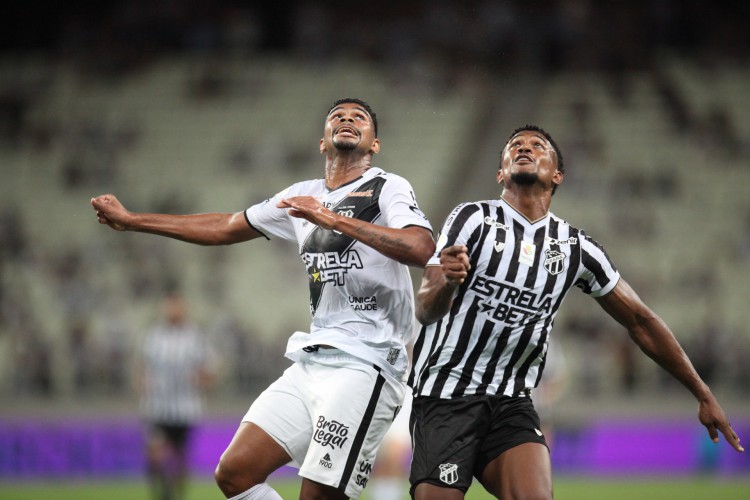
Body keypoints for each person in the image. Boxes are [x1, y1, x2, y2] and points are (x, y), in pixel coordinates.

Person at [91, 98, 435, 500]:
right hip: (314, 361)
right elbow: (224, 226)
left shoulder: (388, 186)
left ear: (374, 144)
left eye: (358, 117)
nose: (346, 119)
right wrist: (134, 221)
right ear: (322, 143)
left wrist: (330, 218)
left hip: (368, 363)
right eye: (336, 116)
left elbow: (422, 247)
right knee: (234, 474)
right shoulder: (300, 196)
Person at [407, 125, 744, 500]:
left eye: (538, 146)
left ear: (558, 175)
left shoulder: (576, 249)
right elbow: (425, 308)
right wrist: (448, 282)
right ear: (500, 173)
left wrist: (701, 391)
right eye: (515, 145)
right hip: (446, 395)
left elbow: (640, 321)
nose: (524, 147)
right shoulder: (473, 219)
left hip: (511, 402)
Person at [137, 291, 217, 500]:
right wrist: (143, 383)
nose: (173, 311)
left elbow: (210, 372)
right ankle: (162, 494)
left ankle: (176, 494)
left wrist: (200, 379)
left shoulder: (195, 337)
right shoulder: (153, 336)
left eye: (177, 306)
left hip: (185, 410)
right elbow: (141, 368)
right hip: (157, 408)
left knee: (180, 459)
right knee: (155, 455)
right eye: (169, 306)